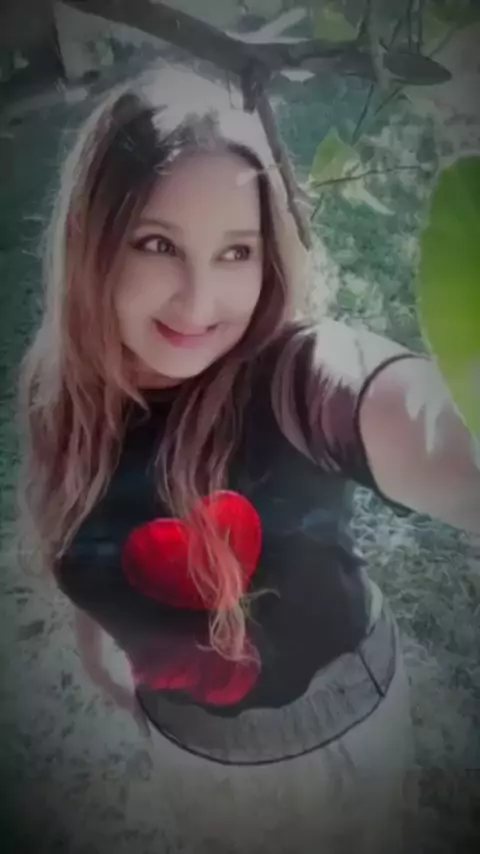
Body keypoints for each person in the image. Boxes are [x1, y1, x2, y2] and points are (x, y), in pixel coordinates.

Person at [15, 65, 479, 854]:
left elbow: (428, 427)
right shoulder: (60, 400)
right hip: (187, 747)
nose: (199, 302)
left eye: (237, 252)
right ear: (92, 241)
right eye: (158, 244)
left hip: (338, 738)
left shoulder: (296, 380)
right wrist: (102, 654)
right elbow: (85, 538)